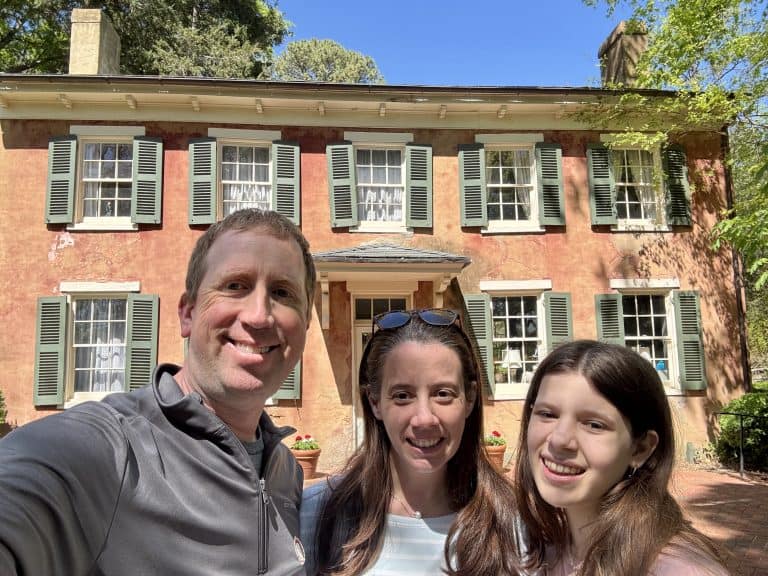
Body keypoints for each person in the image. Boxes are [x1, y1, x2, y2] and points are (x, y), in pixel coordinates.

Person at [0, 209, 316, 575]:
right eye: (235, 286)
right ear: (187, 314)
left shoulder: (286, 472)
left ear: (305, 325)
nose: (259, 316)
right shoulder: (107, 450)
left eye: (282, 292)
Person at [301, 308, 523, 575]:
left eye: (442, 393)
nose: (424, 419)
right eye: (402, 395)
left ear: (470, 398)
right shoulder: (318, 516)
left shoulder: (514, 524)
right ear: (375, 403)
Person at [514, 340, 729, 576]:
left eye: (594, 425)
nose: (559, 440)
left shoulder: (679, 570)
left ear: (641, 449)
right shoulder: (544, 552)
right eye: (547, 414)